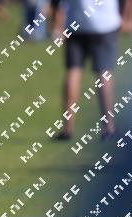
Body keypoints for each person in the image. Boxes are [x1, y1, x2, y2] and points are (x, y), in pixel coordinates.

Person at [49, 0, 121, 140]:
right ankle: (109, 128)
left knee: (73, 71)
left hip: (76, 21)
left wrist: (56, 23)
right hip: (105, 23)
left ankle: (67, 129)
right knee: (104, 73)